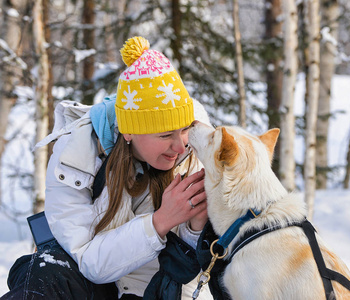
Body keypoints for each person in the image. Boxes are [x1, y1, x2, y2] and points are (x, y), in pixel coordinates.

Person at [1, 36, 213, 300]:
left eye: (184, 131)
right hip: (91, 283)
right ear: (128, 132)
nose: (180, 147)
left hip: (156, 286)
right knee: (44, 270)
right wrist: (161, 221)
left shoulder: (196, 150)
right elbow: (89, 260)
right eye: (164, 136)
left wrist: (194, 230)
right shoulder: (75, 156)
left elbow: (196, 268)